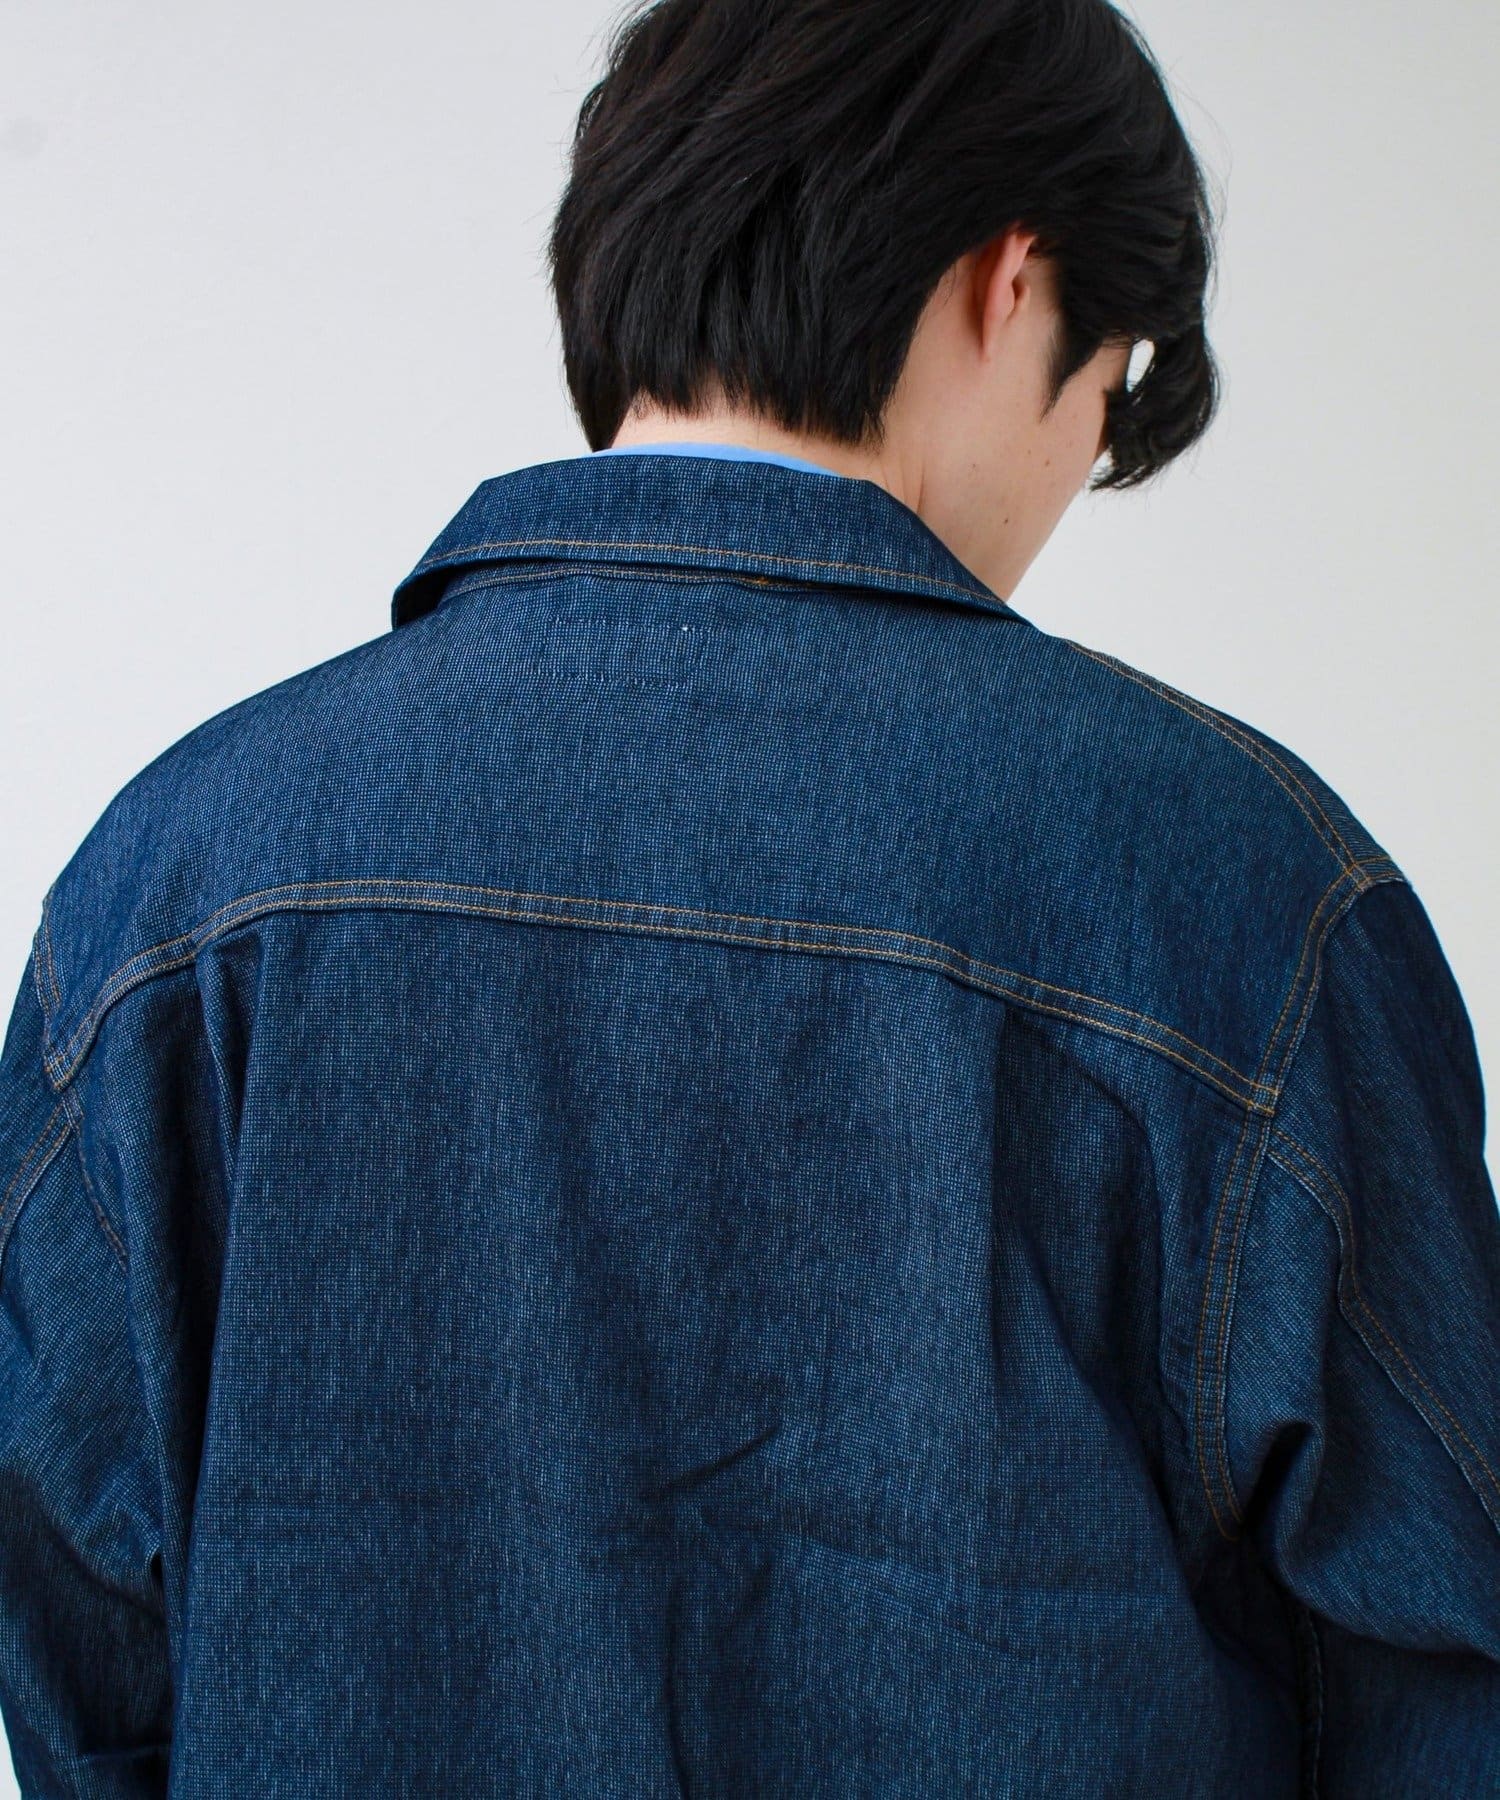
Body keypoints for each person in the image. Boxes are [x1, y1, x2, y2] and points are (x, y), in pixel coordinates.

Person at [2, 0, 1496, 1792]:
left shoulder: (172, 886)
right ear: (1013, 282)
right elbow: (1445, 1669)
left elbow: (78, 1650)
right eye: (1100, 411)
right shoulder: (1248, 900)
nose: (1063, 496)